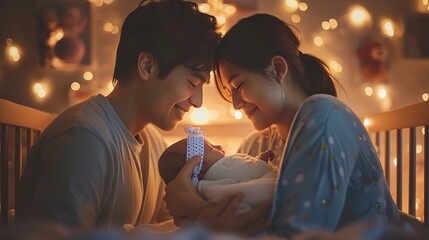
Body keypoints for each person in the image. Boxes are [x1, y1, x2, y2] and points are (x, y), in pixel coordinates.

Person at [165, 13, 399, 238]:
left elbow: (298, 235)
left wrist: (192, 206)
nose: (236, 104)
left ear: (277, 69)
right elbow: (235, 212)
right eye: (230, 92)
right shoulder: (258, 143)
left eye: (239, 85)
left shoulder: (325, 116)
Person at [16, 0, 221, 233]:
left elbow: (167, 228)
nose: (198, 101)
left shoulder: (153, 143)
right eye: (192, 83)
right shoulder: (84, 140)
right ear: (146, 65)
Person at [159, 136, 277, 215]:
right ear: (198, 168)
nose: (219, 147)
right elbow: (246, 171)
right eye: (211, 149)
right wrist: (259, 163)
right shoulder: (217, 172)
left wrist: (258, 161)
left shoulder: (222, 171)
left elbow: (244, 175)